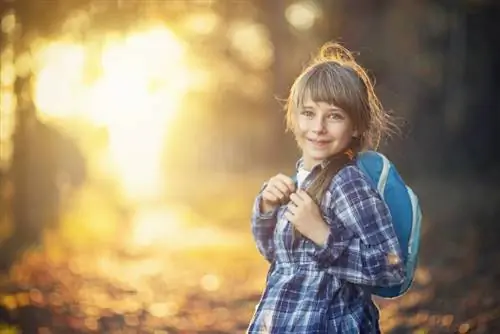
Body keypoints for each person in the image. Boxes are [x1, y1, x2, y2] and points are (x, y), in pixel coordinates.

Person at [247, 42, 405, 333]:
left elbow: (391, 267)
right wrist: (267, 210)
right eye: (308, 113)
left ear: (356, 126)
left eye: (334, 116)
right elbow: (279, 256)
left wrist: (323, 235)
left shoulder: (348, 184)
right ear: (294, 117)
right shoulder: (300, 178)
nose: (318, 127)